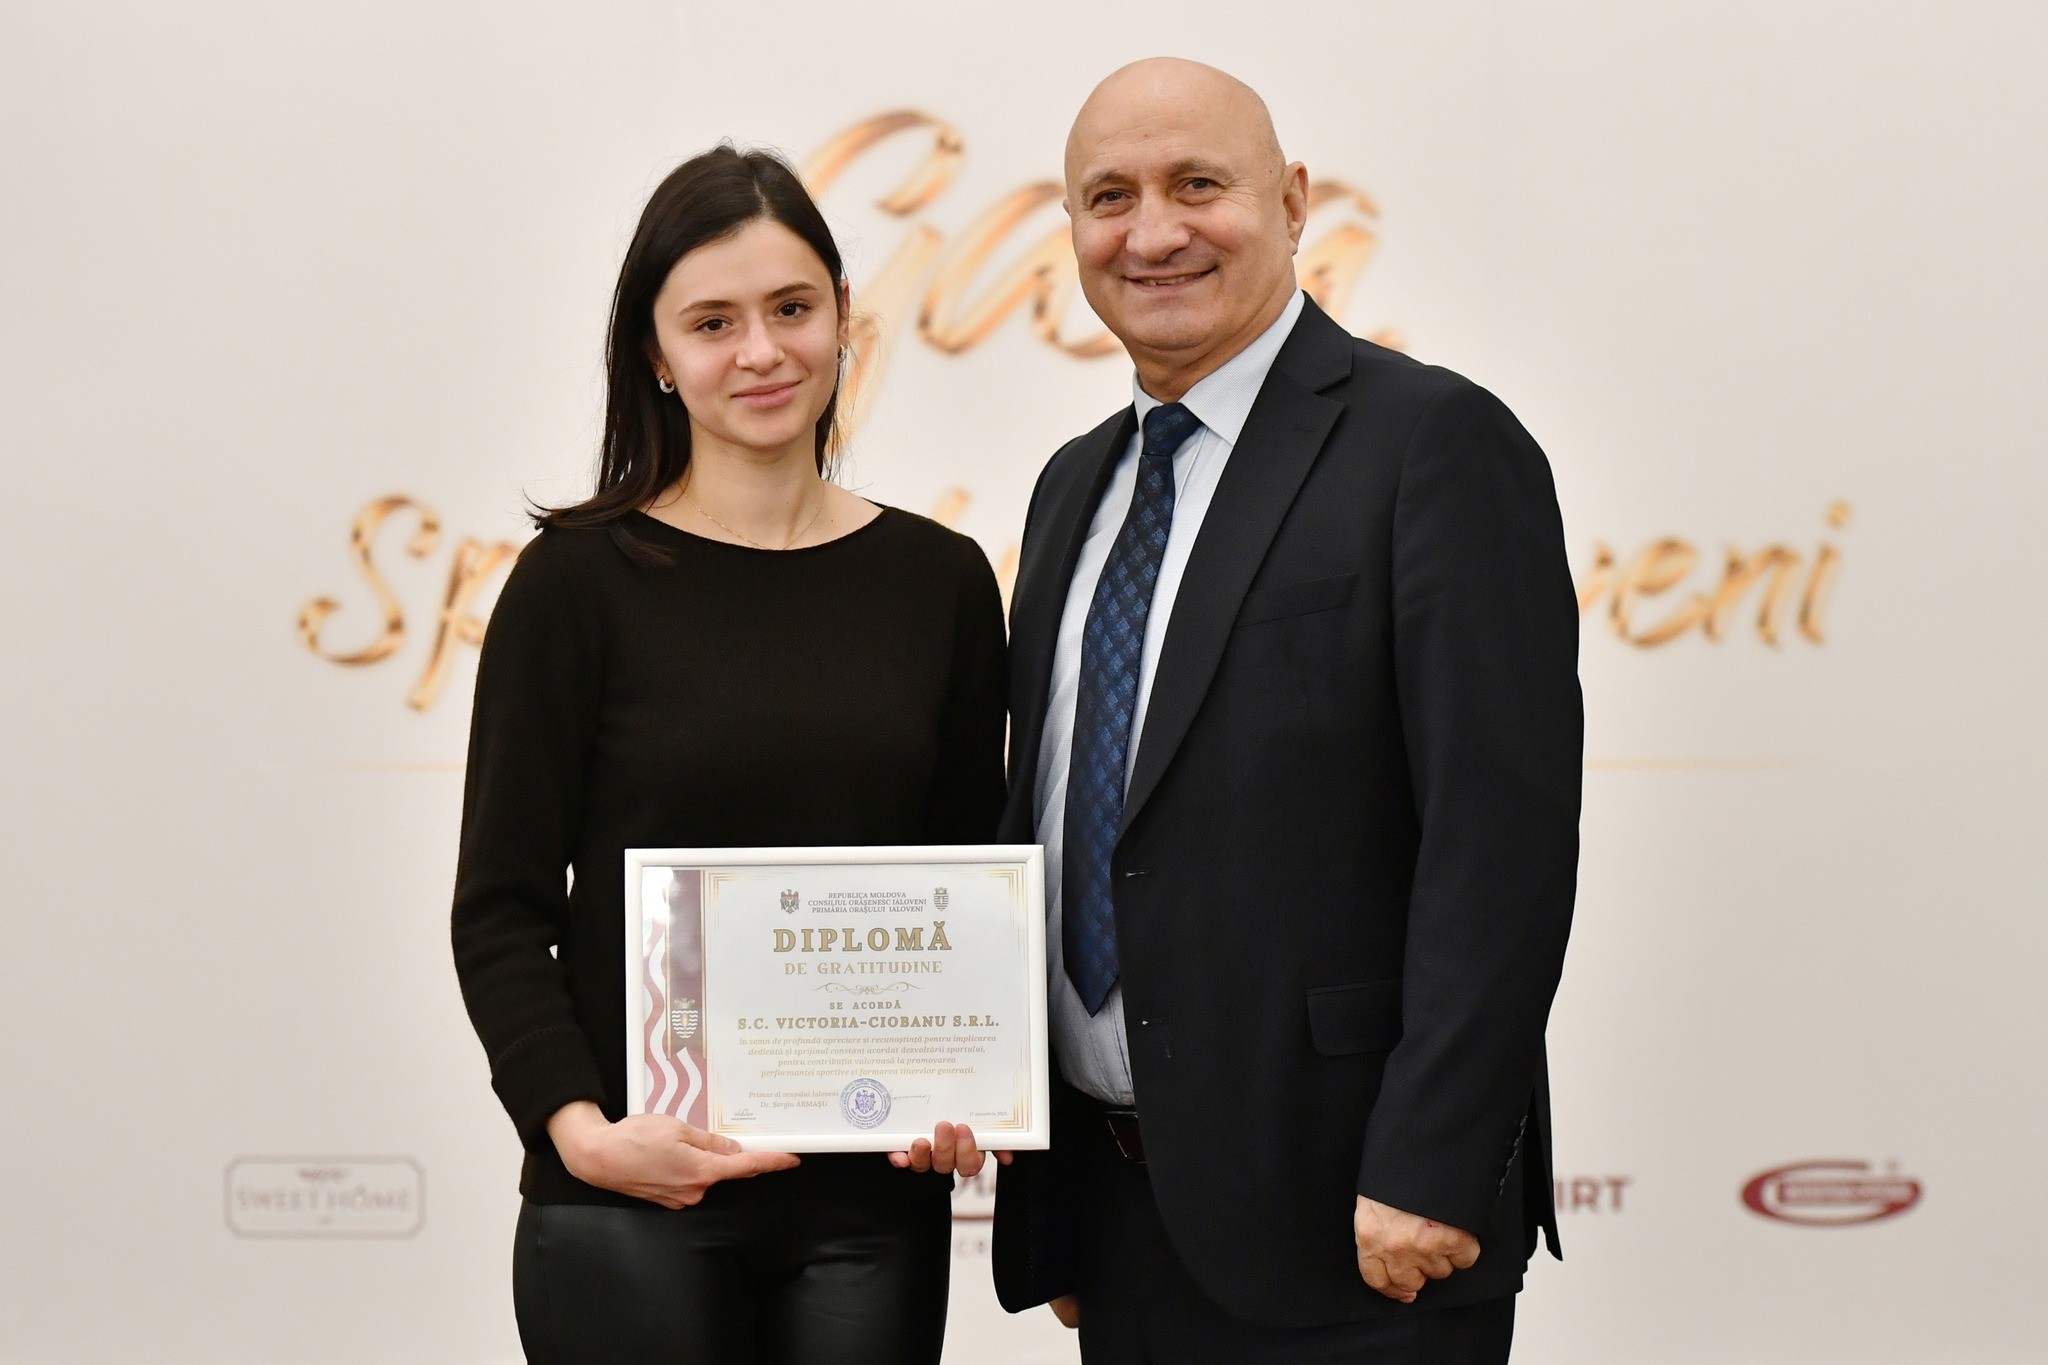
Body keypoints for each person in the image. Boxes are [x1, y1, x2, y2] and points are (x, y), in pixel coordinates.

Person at [990, 59, 1582, 1363]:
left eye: (1197, 184)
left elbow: (1502, 841)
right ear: (1072, 227)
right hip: (1124, 1225)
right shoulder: (1071, 487)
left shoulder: (1434, 444)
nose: (1153, 232)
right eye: (1110, 197)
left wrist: (1433, 1161)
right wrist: (1053, 1201)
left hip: (1363, 1231)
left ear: (1293, 200)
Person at [451, 145, 1008, 1365]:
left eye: (790, 308)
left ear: (842, 317)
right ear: (656, 354)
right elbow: (498, 909)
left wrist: (970, 1086)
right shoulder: (573, 586)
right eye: (712, 323)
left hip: (870, 1208)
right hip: (628, 1200)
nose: (760, 352)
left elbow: (971, 886)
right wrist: (580, 1135)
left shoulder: (941, 584)